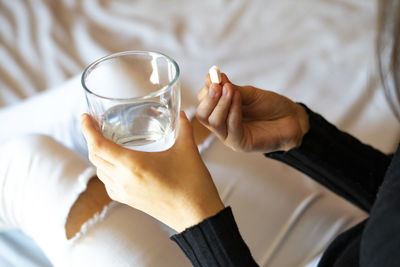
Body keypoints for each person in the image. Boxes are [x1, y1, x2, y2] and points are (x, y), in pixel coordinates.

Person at [80, 0, 400, 266]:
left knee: (31, 153)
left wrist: (194, 216)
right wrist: (303, 134)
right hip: (346, 241)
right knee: (109, 75)